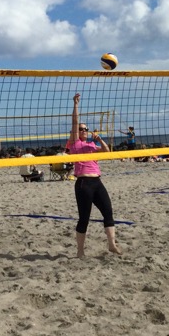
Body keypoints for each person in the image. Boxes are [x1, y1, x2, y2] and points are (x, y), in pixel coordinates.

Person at [67, 93, 122, 257]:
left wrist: (99, 139)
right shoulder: (75, 143)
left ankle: (112, 245)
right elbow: (75, 121)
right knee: (84, 218)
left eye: (86, 129)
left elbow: (107, 151)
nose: (84, 130)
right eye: (81, 129)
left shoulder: (91, 144)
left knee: (108, 212)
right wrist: (76, 104)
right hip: (83, 183)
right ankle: (80, 251)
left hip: (97, 182)